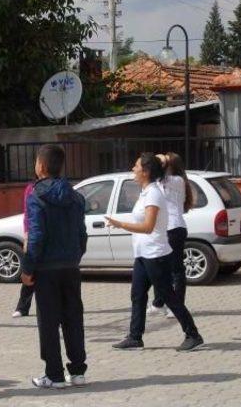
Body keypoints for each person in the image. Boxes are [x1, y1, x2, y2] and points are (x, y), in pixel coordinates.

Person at [106, 153, 204, 352]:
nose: (133, 169)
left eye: (136, 166)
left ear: (146, 171)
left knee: (168, 295)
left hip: (156, 253)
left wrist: (121, 224)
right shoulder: (146, 191)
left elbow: (148, 226)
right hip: (143, 253)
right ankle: (135, 336)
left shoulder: (154, 193)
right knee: (137, 294)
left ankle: (192, 334)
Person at [21, 144, 88, 390]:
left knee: (48, 322)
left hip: (47, 269)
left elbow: (36, 236)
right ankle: (78, 371)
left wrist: (28, 268)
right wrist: (75, 256)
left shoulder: (35, 195)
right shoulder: (75, 196)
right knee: (73, 318)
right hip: (71, 267)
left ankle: (54, 375)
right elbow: (82, 234)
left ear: (40, 166)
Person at [147, 152, 192, 318]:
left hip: (175, 229)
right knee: (161, 267)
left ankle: (177, 304)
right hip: (166, 229)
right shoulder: (162, 181)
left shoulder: (177, 180)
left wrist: (163, 160)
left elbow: (160, 170)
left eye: (166, 162)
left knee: (176, 270)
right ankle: (159, 303)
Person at [12, 182, 35, 318]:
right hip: (34, 236)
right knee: (29, 272)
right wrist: (26, 236)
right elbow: (27, 215)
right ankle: (22, 307)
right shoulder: (31, 188)